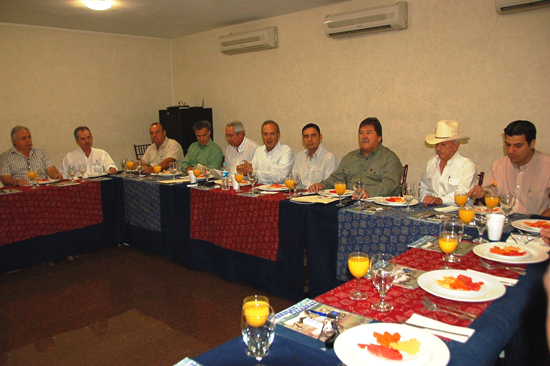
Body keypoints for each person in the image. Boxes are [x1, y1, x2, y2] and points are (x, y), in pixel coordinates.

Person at [469, 120, 550, 216]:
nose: (511, 151)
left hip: (536, 227)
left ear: (532, 144)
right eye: (507, 145)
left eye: (518, 146)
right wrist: (482, 195)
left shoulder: (547, 166)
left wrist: (537, 222)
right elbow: (491, 200)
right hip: (503, 224)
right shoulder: (499, 165)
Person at [308, 117, 403, 198]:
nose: (364, 136)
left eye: (369, 133)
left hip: (376, 206)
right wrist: (321, 185)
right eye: (361, 133)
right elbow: (337, 178)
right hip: (348, 203)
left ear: (379, 137)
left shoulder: (390, 158)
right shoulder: (350, 157)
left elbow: (390, 184)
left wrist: (368, 192)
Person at [419, 120, 477, 205]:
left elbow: (462, 194)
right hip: (431, 212)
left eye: (443, 144)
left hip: (457, 213)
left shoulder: (467, 165)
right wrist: (426, 199)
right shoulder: (432, 162)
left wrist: (440, 200)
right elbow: (423, 187)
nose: (438, 148)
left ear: (456, 146)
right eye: (437, 144)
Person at [237, 120, 295, 184]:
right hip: (259, 190)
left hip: (278, 191)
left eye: (272, 134)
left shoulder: (286, 151)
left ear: (278, 134)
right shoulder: (259, 150)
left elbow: (280, 177)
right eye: (265, 134)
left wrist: (253, 172)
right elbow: (252, 172)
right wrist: (243, 170)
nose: (269, 137)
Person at [293, 123, 338, 189]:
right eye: (306, 136)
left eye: (313, 135)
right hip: (301, 196)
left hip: (321, 197)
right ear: (302, 140)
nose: (310, 139)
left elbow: (329, 185)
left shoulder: (329, 157)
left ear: (320, 137)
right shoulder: (299, 157)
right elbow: (295, 182)